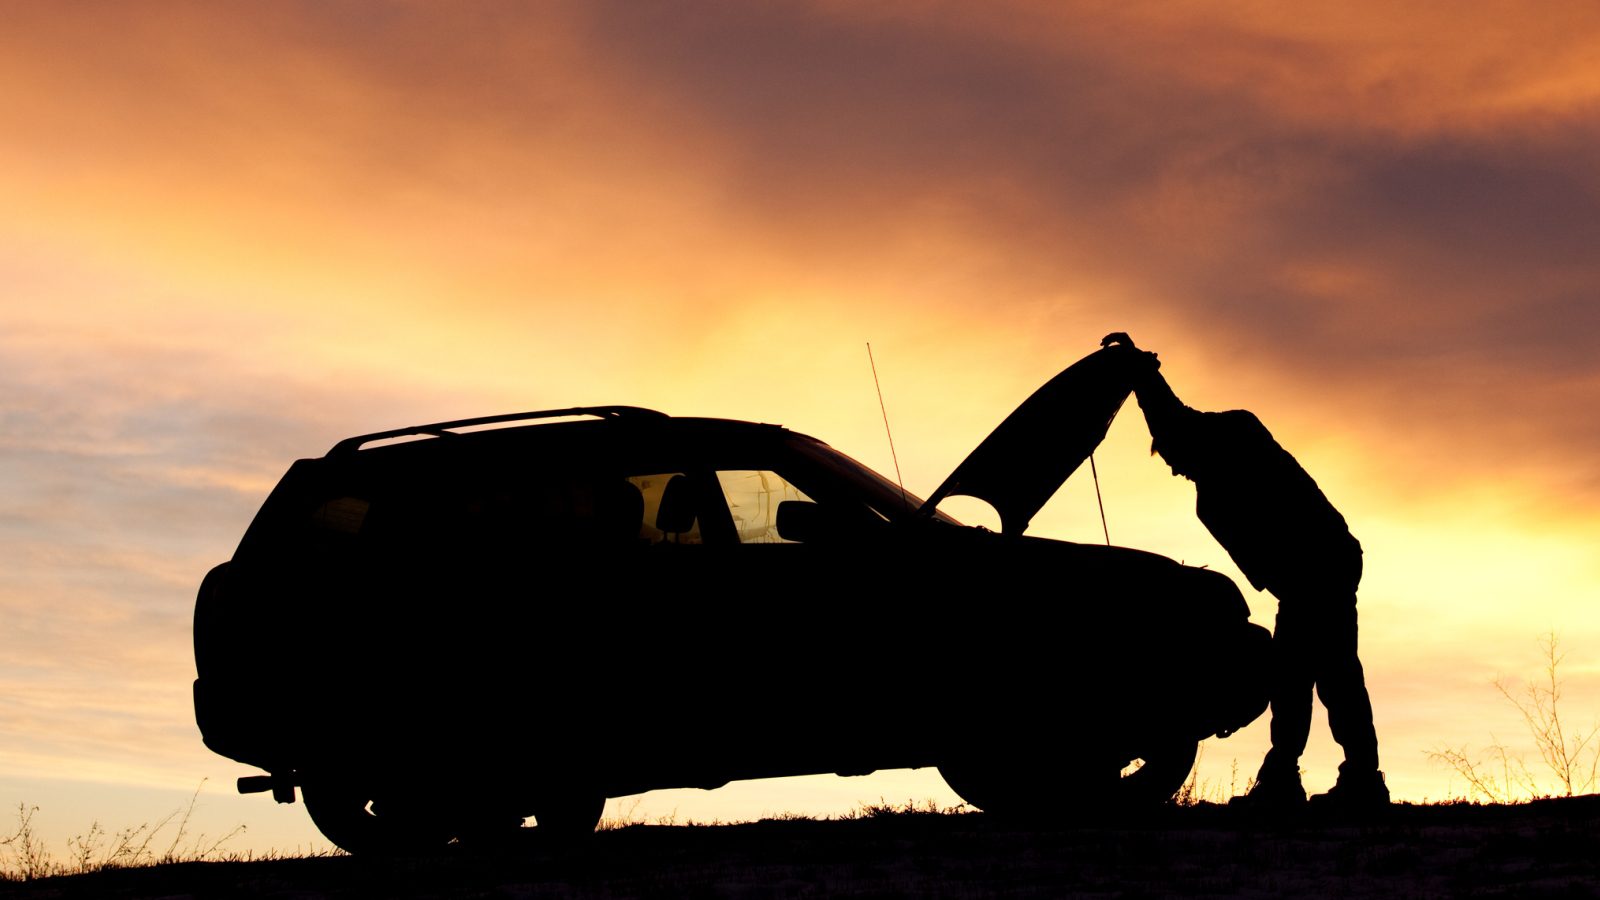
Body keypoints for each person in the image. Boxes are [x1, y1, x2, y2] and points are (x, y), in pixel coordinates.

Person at [1100, 332, 1388, 810]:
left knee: (1325, 674)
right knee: (1304, 674)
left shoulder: (1237, 434)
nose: (1173, 470)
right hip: (1307, 576)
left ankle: (1340, 780)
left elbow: (1173, 416)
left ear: (1185, 442)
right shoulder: (1209, 494)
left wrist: (1140, 372)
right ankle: (1306, 778)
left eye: (1171, 457)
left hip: (1321, 565)